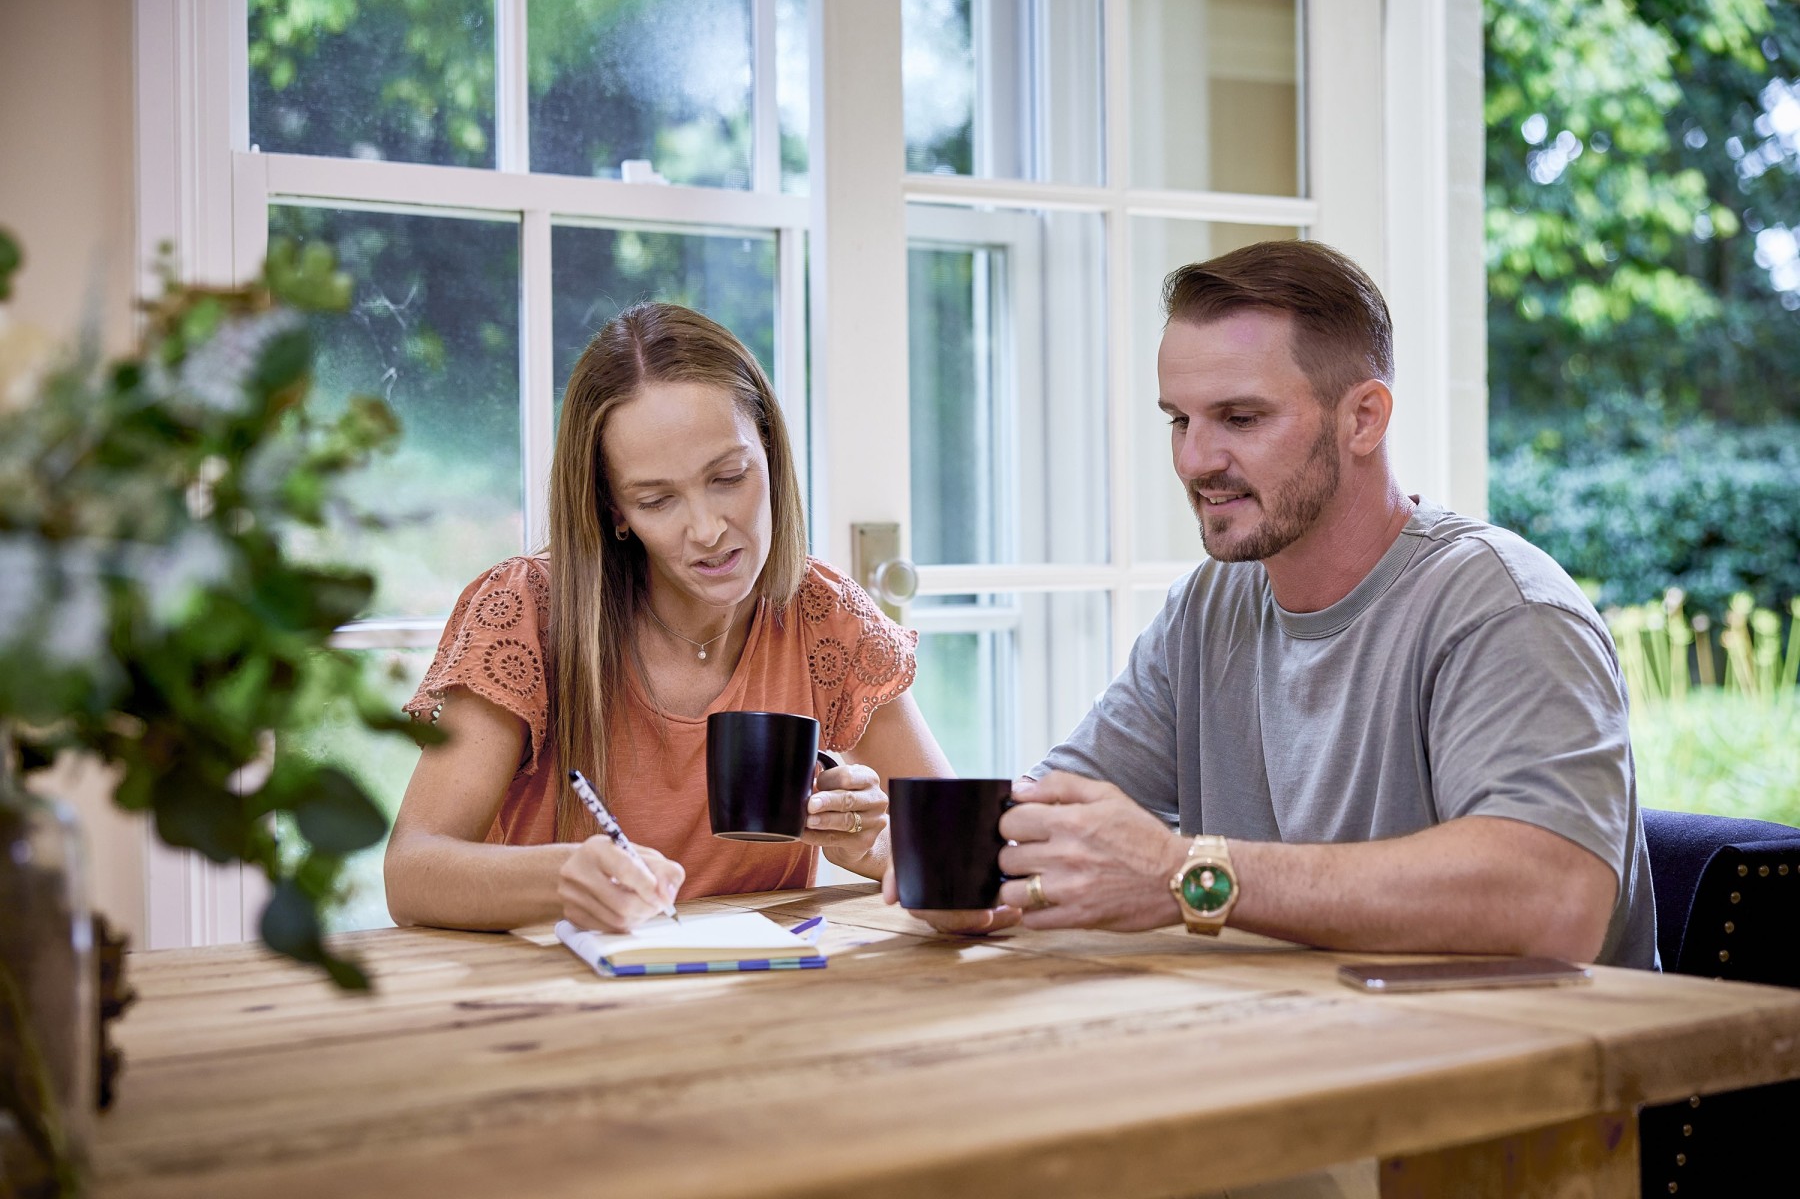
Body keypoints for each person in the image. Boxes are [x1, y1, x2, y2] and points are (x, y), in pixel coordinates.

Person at [889, 240, 1655, 968]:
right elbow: (1060, 824)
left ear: (1364, 418)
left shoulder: (1501, 607)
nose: (1195, 461)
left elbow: (1557, 903)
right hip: (1305, 1050)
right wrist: (964, 864)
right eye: (1179, 420)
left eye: (1241, 419)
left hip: (1530, 1083)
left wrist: (1188, 876)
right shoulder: (1210, 607)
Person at [388, 302, 951, 933]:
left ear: (769, 453)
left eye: (728, 477)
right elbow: (412, 871)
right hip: (561, 1003)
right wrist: (561, 877)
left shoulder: (822, 614)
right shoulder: (529, 611)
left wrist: (870, 846)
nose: (708, 531)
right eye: (655, 500)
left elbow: (954, 839)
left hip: (759, 1002)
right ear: (614, 511)